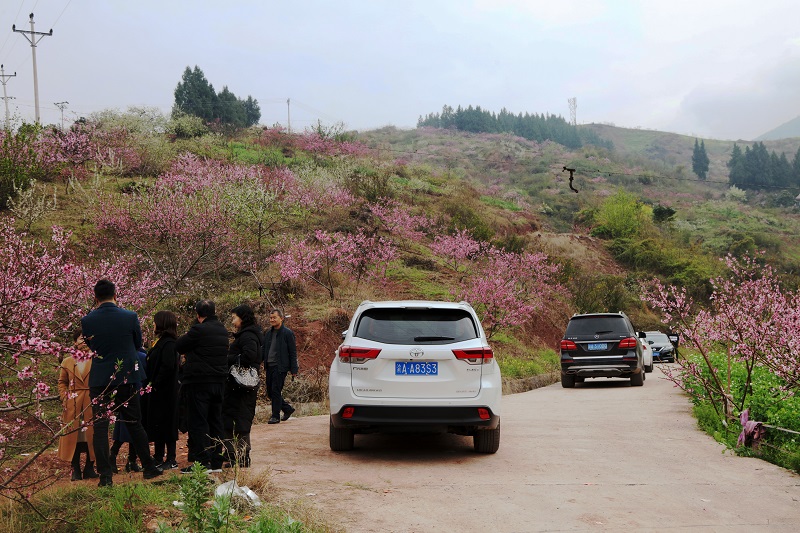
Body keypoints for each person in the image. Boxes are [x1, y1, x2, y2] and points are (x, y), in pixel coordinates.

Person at [81, 279, 162, 487]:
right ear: (115, 294)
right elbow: (136, 344)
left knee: (100, 427)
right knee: (134, 422)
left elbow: (92, 346)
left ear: (95, 297)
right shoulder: (130, 316)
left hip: (100, 378)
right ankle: (148, 467)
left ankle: (105, 477)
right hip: (126, 376)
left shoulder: (87, 320)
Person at [176, 300, 229, 473]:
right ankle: (216, 461)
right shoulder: (222, 329)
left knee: (198, 421)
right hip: (219, 382)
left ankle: (201, 462)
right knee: (216, 420)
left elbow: (180, 345)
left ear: (198, 314)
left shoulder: (198, 330)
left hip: (199, 382)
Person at [222, 304, 263, 467]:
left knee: (236, 420)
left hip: (239, 386)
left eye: (234, 317)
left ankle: (237, 456)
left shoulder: (247, 336)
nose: (232, 321)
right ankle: (240, 455)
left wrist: (228, 358)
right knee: (240, 419)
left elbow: (249, 356)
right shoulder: (252, 334)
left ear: (242, 318)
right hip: (243, 386)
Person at [57, 329, 97, 481]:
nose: (84, 342)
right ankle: (75, 469)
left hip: (90, 400)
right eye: (81, 339)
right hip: (73, 402)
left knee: (91, 436)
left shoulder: (95, 359)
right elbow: (62, 382)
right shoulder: (67, 361)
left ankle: (89, 467)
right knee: (73, 436)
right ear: (75, 342)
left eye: (87, 339)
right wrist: (64, 397)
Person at [145, 310, 181, 470]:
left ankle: (171, 458)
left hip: (166, 392)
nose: (153, 324)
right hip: (159, 391)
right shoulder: (162, 342)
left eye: (155, 321)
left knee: (167, 423)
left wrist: (155, 383)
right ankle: (158, 456)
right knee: (159, 423)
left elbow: (167, 367)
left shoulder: (169, 344)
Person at [109, 347, 147, 473]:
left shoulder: (123, 355)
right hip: (134, 395)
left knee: (127, 428)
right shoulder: (141, 356)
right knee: (133, 428)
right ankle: (126, 459)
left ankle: (128, 459)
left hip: (127, 395)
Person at [263, 308, 299, 424]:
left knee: (275, 390)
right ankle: (287, 409)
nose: (272, 320)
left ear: (281, 318)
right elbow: (264, 350)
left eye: (274, 317)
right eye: (270, 318)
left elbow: (292, 352)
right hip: (269, 366)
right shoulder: (268, 333)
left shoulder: (287, 333)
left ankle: (275, 416)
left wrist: (294, 369)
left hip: (280, 366)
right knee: (270, 391)